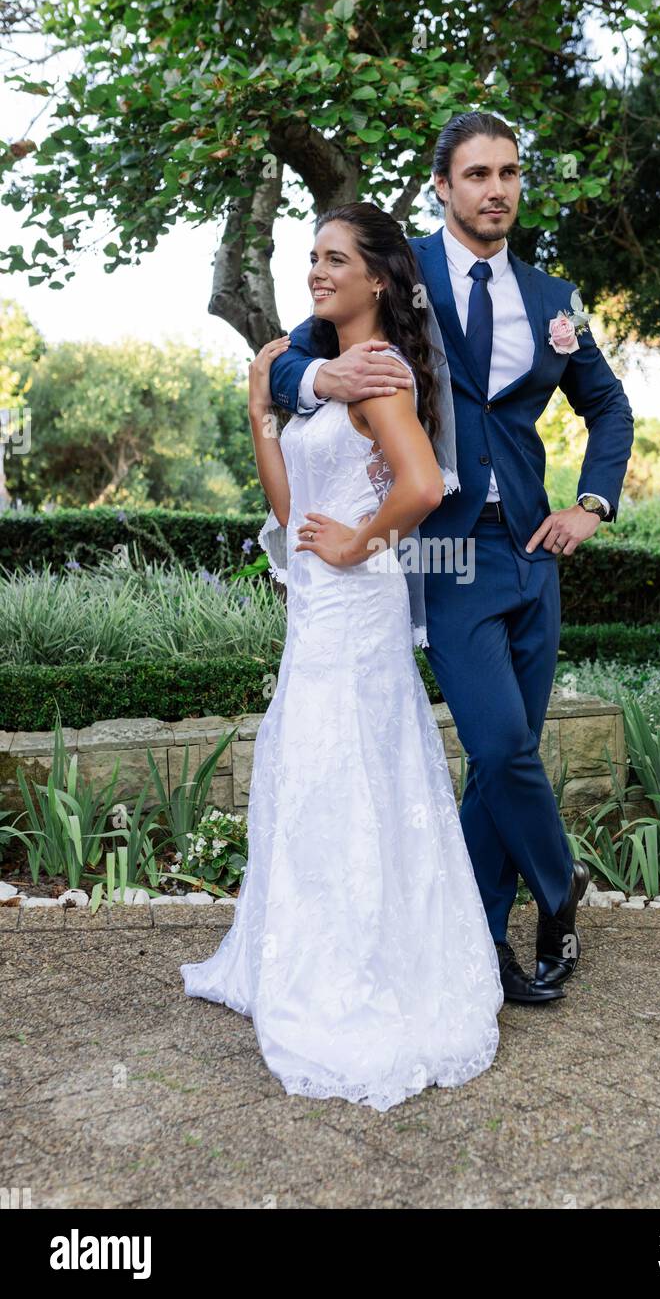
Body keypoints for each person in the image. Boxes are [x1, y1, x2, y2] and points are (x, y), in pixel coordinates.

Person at [270, 112, 635, 1003]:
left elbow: (609, 409)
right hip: (449, 549)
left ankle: (483, 944)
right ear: (442, 186)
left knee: (500, 765)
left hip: (533, 551)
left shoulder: (555, 300)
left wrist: (590, 505)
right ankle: (560, 891)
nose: (496, 190)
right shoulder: (405, 274)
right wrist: (319, 381)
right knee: (503, 745)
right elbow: (289, 357)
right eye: (476, 174)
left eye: (508, 173)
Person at [180, 201, 505, 1113]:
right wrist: (259, 411)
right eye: (310, 256)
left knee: (351, 774)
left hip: (354, 606)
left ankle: (361, 972)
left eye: (333, 258)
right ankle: (302, 951)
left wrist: (360, 541)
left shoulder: (378, 374)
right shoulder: (318, 369)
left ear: (376, 279)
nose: (316, 270)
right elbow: (288, 514)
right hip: (315, 611)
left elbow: (422, 483)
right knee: (311, 770)